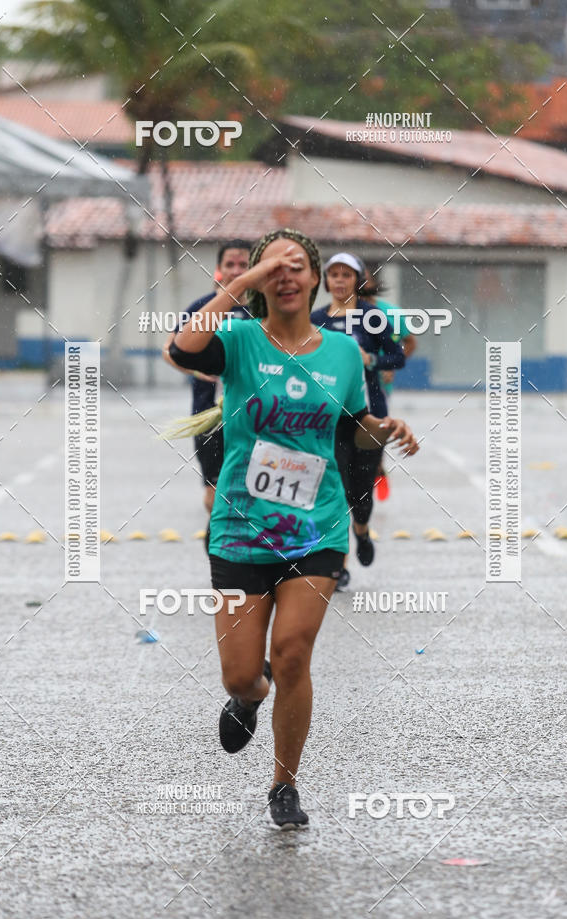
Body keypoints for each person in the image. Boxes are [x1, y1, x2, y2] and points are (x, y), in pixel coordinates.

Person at [169, 228, 419, 828]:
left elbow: (353, 427)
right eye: (273, 267)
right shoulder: (239, 338)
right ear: (259, 278)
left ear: (314, 279)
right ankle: (247, 699)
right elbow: (181, 350)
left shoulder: (339, 351)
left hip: (318, 527)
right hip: (239, 528)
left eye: (297, 266)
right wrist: (244, 283)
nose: (287, 275)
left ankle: (285, 784)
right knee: (242, 672)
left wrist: (385, 431)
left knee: (292, 654)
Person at [311, 252, 406, 590]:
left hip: (369, 416)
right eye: (333, 275)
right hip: (331, 417)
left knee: (360, 491)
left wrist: (372, 359)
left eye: (345, 275)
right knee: (334, 487)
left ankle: (362, 531)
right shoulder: (315, 319)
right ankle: (339, 564)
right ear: (325, 281)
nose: (339, 281)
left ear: (357, 280)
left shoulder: (371, 316)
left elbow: (398, 355)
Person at [163, 240, 250, 515]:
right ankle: (220, 547)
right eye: (230, 265)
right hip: (208, 414)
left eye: (244, 265)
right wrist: (196, 369)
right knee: (214, 495)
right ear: (219, 270)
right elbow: (169, 350)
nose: (237, 270)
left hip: (253, 416)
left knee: (252, 493)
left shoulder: (264, 310)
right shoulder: (202, 308)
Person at [362, 271, 418, 501]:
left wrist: (390, 366)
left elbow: (410, 342)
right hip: (347, 383)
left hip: (378, 384)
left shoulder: (390, 312)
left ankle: (377, 469)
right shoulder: (343, 312)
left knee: (377, 428)